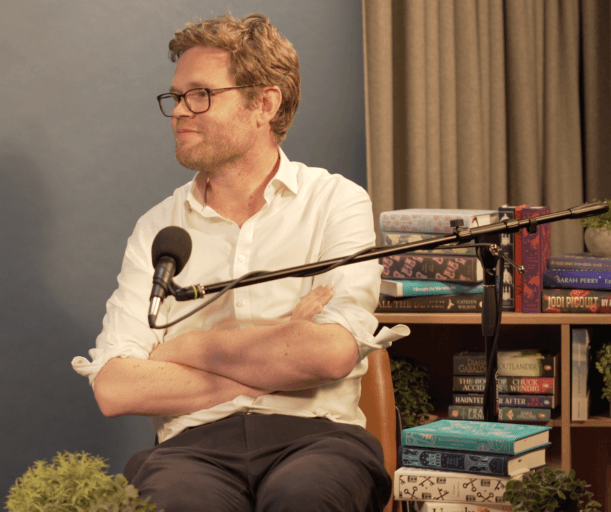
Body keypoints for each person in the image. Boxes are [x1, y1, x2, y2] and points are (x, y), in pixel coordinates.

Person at [72, 12, 407, 512]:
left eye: (201, 94)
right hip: (191, 453)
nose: (179, 112)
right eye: (177, 96)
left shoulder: (337, 202)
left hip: (317, 441)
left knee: (305, 501)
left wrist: (181, 348)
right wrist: (280, 345)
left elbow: (331, 354)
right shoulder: (157, 228)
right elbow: (116, 387)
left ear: (264, 104)